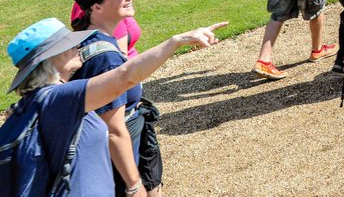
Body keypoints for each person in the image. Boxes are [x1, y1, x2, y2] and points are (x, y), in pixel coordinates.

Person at [4, 17, 222, 197]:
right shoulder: (57, 99)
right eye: (69, 44)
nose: (78, 46)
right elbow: (124, 77)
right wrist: (176, 42)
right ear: (52, 58)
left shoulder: (31, 104)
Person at [70, 0, 164, 197]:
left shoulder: (92, 38)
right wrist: (133, 185)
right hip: (115, 160)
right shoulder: (105, 58)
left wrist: (176, 42)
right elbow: (113, 131)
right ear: (96, 7)